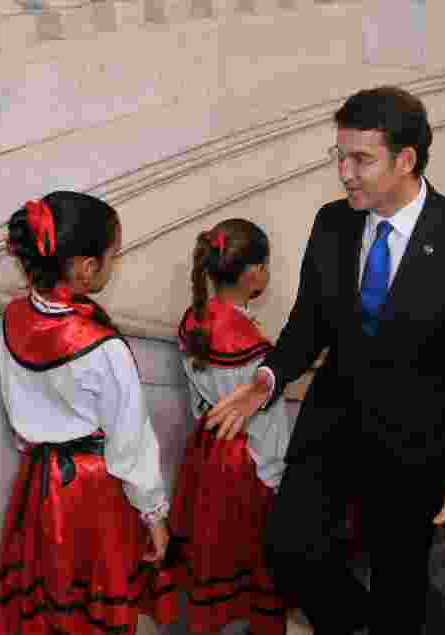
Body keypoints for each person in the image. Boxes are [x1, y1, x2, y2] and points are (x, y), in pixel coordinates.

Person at [207, 86, 445, 634]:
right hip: (333, 427)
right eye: (340, 157)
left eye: (361, 159)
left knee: (399, 584)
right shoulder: (333, 224)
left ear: (406, 160)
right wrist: (269, 377)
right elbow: (309, 324)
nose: (345, 173)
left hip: (419, 446)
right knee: (290, 551)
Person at [0, 192, 177, 635]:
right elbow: (129, 440)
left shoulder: (14, 319)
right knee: (97, 605)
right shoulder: (103, 346)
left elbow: (18, 411)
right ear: (86, 267)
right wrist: (154, 514)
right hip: (94, 489)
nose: (115, 264)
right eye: (114, 255)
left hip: (39, 483)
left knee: (52, 600)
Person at [168, 220, 289, 635]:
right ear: (254, 273)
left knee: (209, 552)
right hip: (244, 464)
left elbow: (198, 397)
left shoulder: (196, 318)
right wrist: (276, 473)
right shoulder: (243, 339)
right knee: (247, 559)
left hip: (205, 451)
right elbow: (265, 423)